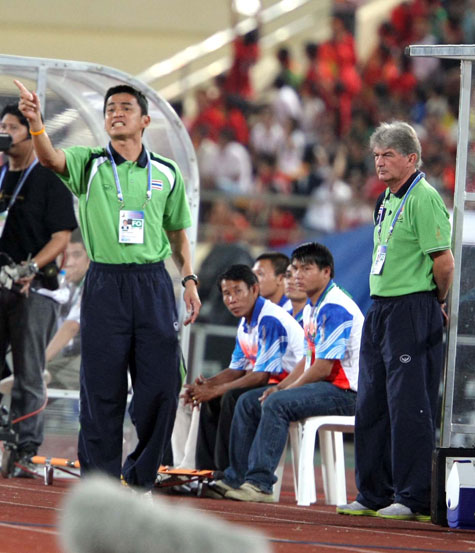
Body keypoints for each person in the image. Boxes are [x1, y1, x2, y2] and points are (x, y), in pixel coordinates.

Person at [15, 80, 201, 491]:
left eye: (125, 107)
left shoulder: (167, 172)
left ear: (144, 120)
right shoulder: (90, 162)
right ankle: (100, 486)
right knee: (101, 390)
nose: (116, 113)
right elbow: (50, 159)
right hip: (105, 283)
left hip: (153, 285)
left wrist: (188, 278)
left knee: (161, 388)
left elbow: (177, 235)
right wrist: (37, 124)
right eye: (110, 108)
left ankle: (141, 479)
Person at [337, 121, 454, 521]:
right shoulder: (386, 199)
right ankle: (373, 492)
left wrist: (437, 301)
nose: (380, 162)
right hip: (381, 307)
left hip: (411, 308)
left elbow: (444, 263)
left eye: (388, 154)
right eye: (376, 155)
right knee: (371, 403)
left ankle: (413, 497)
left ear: (411, 158)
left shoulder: (424, 198)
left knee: (409, 406)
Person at [208, 242, 364, 502]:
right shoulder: (313, 306)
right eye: (295, 269)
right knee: (247, 401)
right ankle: (236, 478)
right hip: (328, 387)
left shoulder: (334, 307)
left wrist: (285, 390)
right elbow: (307, 360)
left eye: (306, 269)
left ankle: (260, 485)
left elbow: (323, 368)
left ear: (326, 272)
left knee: (277, 403)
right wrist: (280, 387)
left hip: (348, 393)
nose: (298, 275)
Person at [0, 103, 77, 475]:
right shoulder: (1, 174)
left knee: (29, 372)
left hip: (35, 289)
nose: (5, 133)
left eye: (12, 127)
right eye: (2, 126)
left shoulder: (49, 179)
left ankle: (25, 449)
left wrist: (30, 268)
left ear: (31, 133)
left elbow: (61, 237)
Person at [185, 264, 304, 472]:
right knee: (211, 398)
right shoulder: (245, 323)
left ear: (254, 290)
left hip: (293, 385)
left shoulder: (269, 320)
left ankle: (229, 472)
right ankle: (206, 471)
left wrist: (216, 390)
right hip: (272, 383)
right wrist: (206, 386)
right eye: (226, 294)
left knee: (232, 397)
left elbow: (260, 376)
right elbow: (236, 370)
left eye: (238, 291)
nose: (232, 299)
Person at [46, 229, 90, 390]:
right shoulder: (64, 284)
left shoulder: (93, 285)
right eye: (64, 256)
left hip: (92, 359)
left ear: (90, 258)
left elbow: (71, 327)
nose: (69, 262)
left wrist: (38, 364)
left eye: (77, 255)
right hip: (68, 358)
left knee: (33, 377)